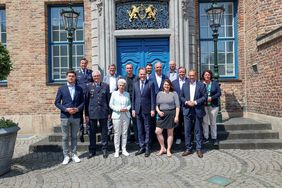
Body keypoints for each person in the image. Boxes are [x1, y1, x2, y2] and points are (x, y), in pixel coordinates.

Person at [54, 70, 84, 165]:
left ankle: (74, 154)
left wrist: (77, 109)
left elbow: (83, 102)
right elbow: (57, 102)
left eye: (73, 76)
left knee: (74, 136)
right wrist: (66, 109)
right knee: (65, 137)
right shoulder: (61, 89)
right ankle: (66, 155)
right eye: (69, 76)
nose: (71, 77)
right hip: (65, 116)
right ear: (67, 77)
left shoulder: (79, 89)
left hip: (76, 116)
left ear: (75, 78)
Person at [180, 69, 207, 158]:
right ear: (188, 76)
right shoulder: (184, 85)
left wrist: (195, 102)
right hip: (187, 109)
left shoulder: (201, 85)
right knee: (187, 130)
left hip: (197, 109)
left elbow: (205, 97)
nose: (191, 77)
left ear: (195, 76)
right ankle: (188, 148)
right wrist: (187, 102)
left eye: (193, 75)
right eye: (190, 75)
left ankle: (199, 149)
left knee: (198, 130)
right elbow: (181, 96)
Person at [85, 70, 110, 159]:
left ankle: (104, 149)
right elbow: (86, 101)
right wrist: (86, 115)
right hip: (92, 112)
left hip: (103, 111)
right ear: (92, 77)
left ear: (100, 76)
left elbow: (108, 100)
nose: (96, 78)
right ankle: (92, 150)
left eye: (98, 76)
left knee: (104, 131)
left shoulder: (105, 86)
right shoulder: (88, 86)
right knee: (92, 132)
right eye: (94, 76)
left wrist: (109, 113)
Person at [132, 68, 155, 157]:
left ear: (146, 74)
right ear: (139, 74)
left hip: (147, 110)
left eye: (143, 74)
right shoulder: (135, 84)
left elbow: (153, 97)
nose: (142, 76)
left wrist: (153, 109)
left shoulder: (150, 83)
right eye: (141, 74)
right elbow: (134, 98)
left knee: (147, 129)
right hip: (137, 110)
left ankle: (147, 147)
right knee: (139, 129)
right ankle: (141, 147)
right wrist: (133, 109)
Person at [155, 79, 180, 157]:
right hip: (161, 114)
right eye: (165, 84)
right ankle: (162, 148)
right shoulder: (159, 94)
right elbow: (156, 105)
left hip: (171, 114)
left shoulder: (174, 93)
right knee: (158, 131)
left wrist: (176, 116)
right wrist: (158, 111)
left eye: (168, 84)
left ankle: (168, 149)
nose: (166, 86)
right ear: (163, 85)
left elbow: (177, 106)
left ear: (170, 86)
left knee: (170, 133)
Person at [109, 79, 131, 157]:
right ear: (118, 86)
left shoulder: (127, 94)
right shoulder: (114, 94)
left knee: (124, 133)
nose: (121, 87)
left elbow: (129, 104)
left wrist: (127, 109)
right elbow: (111, 105)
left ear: (125, 86)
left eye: (123, 85)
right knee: (117, 133)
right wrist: (119, 109)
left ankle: (124, 149)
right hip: (117, 115)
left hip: (126, 115)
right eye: (120, 85)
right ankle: (117, 150)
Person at [202, 70, 221, 146]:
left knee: (213, 122)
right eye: (205, 75)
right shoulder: (201, 84)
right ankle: (206, 137)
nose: (207, 76)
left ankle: (214, 137)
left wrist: (212, 98)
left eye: (208, 75)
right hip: (204, 106)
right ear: (203, 76)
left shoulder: (215, 83)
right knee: (205, 122)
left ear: (210, 76)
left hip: (213, 105)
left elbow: (219, 93)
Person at [75, 57, 93, 142]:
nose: (83, 64)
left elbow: (93, 83)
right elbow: (75, 85)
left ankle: (88, 129)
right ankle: (81, 131)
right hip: (80, 97)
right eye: (82, 63)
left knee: (88, 113)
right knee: (80, 114)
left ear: (87, 64)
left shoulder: (90, 72)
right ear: (80, 64)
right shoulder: (77, 73)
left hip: (89, 96)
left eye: (85, 63)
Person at [172, 67, 189, 145]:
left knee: (187, 123)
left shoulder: (189, 81)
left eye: (183, 72)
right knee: (177, 123)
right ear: (178, 73)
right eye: (180, 72)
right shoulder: (174, 82)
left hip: (187, 106)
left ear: (185, 73)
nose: (181, 73)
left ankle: (187, 138)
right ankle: (178, 137)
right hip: (177, 106)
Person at [123, 63, 139, 145]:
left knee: (136, 122)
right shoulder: (123, 78)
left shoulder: (137, 78)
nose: (129, 70)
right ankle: (128, 139)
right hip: (126, 103)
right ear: (126, 69)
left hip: (135, 102)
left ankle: (137, 139)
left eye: (130, 68)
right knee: (127, 122)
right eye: (127, 68)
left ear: (132, 69)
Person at [103, 64, 119, 136]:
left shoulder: (118, 77)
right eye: (111, 68)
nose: (112, 70)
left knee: (115, 112)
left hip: (115, 95)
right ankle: (109, 129)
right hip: (108, 95)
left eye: (113, 68)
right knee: (108, 113)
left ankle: (115, 129)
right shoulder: (105, 78)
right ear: (108, 69)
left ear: (115, 69)